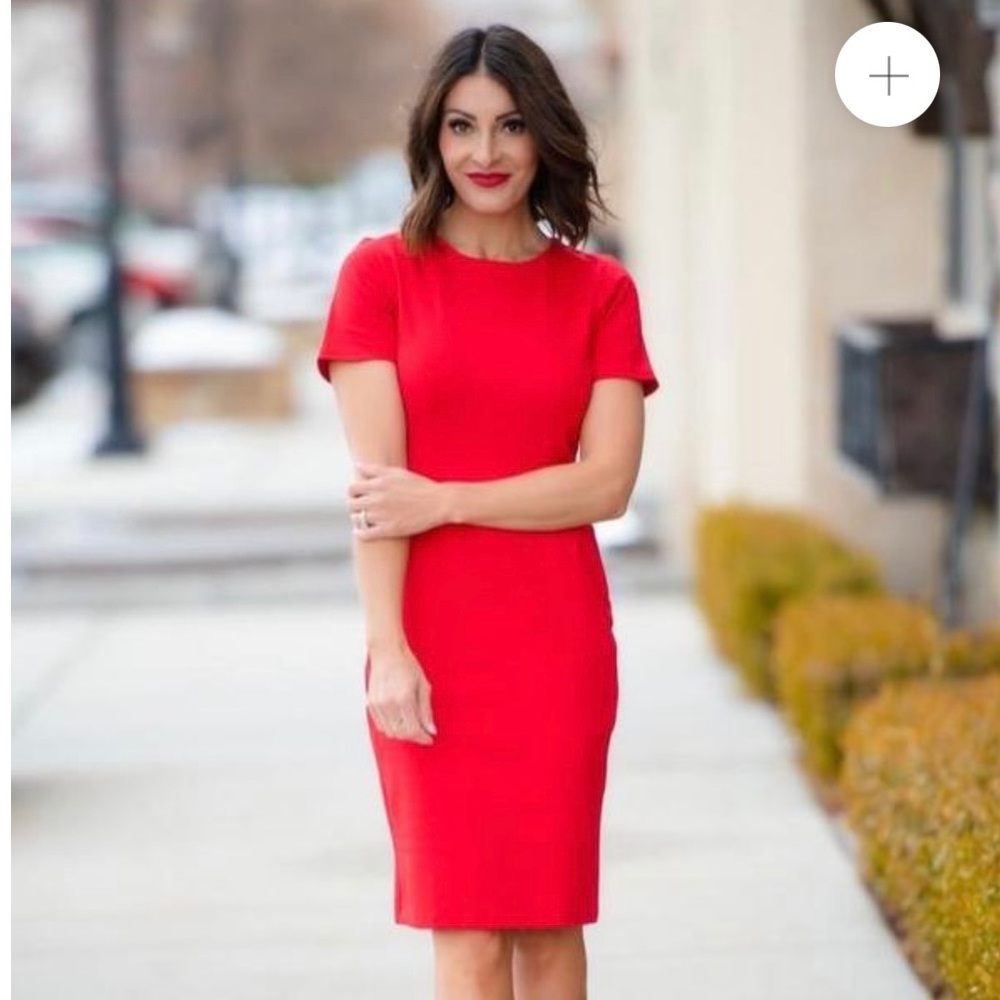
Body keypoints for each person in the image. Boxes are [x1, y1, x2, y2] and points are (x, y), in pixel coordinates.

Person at [316, 23, 659, 1000]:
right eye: (461, 126)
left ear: (543, 135)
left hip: (554, 642)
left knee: (549, 930)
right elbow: (380, 500)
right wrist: (387, 648)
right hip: (430, 641)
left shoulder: (598, 291)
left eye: (509, 126)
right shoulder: (379, 276)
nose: (485, 152)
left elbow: (606, 484)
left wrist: (448, 498)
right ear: (432, 138)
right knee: (464, 937)